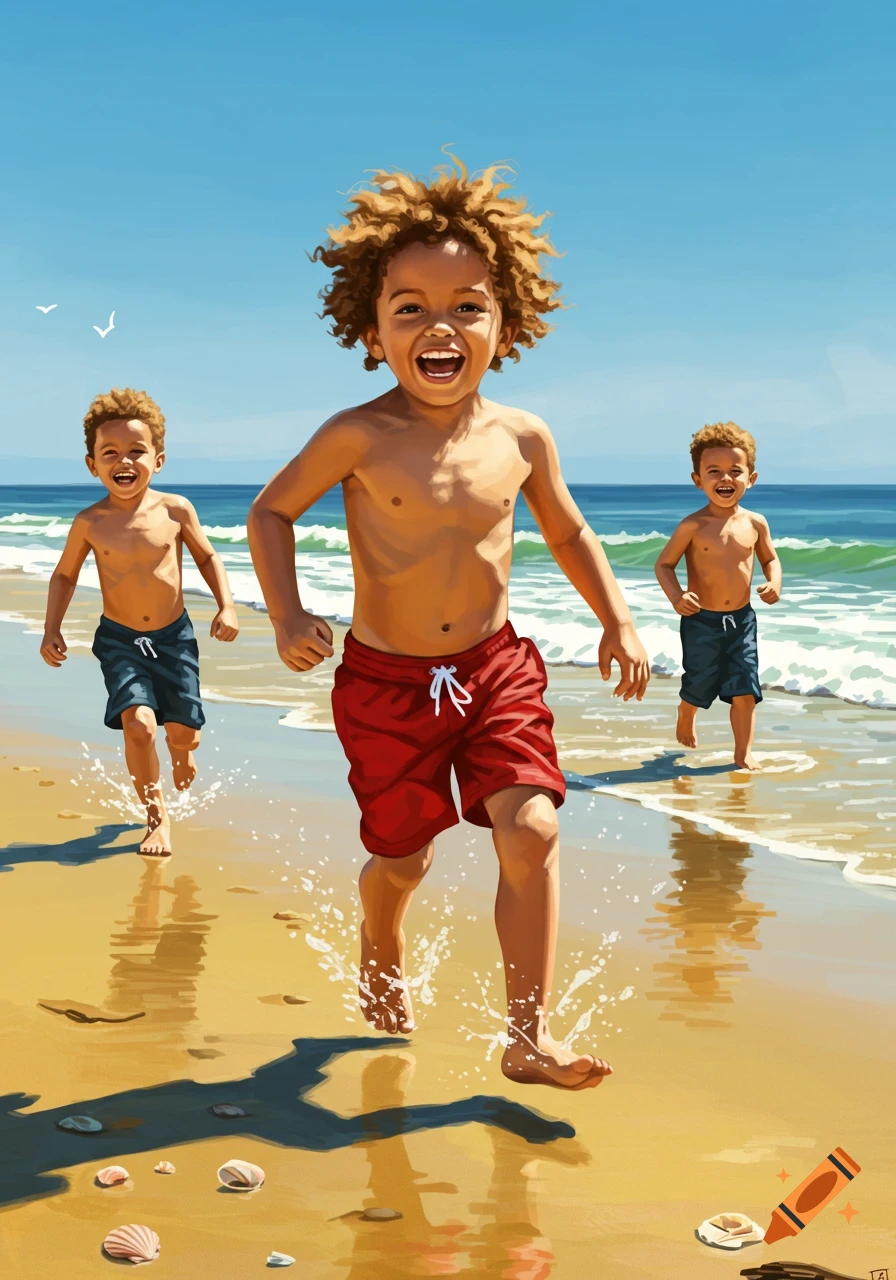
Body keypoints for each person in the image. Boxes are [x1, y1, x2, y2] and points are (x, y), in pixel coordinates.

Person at [248, 158, 650, 1090]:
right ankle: (379, 934)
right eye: (411, 308)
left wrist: (619, 621)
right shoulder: (358, 433)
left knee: (534, 830)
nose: (441, 326)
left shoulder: (522, 436)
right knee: (401, 859)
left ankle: (528, 1036)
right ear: (372, 327)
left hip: (496, 671)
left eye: (467, 306)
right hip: (386, 686)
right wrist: (288, 613)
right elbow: (272, 512)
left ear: (506, 322)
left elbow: (568, 526)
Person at [40, 388, 239, 854]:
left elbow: (208, 557)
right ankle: (156, 818)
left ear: (159, 459)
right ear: (92, 464)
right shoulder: (89, 522)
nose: (123, 461)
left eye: (136, 451)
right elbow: (65, 575)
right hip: (120, 641)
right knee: (140, 725)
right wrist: (53, 628)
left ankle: (183, 750)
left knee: (182, 732)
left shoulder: (175, 510)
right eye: (110, 453)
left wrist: (225, 606)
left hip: (174, 638)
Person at [654, 422, 781, 770]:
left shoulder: (756, 523)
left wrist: (775, 583)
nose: (725, 479)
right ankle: (686, 711)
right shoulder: (692, 525)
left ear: (750, 478)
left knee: (745, 691)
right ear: (698, 480)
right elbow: (664, 565)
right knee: (700, 682)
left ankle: (742, 754)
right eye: (714, 472)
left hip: (742, 620)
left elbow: (770, 559)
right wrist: (677, 597)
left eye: (734, 472)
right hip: (701, 622)